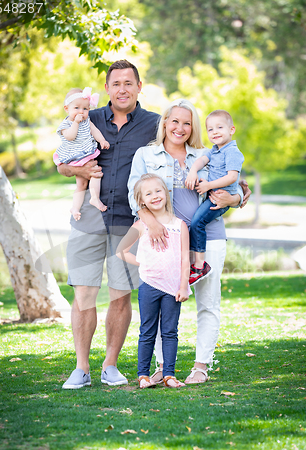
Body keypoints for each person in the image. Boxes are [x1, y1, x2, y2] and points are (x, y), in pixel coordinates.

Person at [128, 99, 251, 384]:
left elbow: (234, 187)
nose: (180, 128)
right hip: (165, 240)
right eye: (174, 121)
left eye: (187, 123)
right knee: (160, 303)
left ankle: (201, 366)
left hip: (210, 237)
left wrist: (235, 198)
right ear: (165, 123)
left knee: (208, 302)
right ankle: (162, 365)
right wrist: (152, 223)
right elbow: (133, 197)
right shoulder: (146, 155)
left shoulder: (208, 154)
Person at [58, 61, 160, 388]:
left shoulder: (154, 124)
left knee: (120, 296)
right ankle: (82, 368)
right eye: (116, 83)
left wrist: (236, 188)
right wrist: (81, 172)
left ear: (139, 87)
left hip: (128, 223)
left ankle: (110, 365)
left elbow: (181, 156)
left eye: (129, 83)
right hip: (88, 218)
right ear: (106, 88)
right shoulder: (88, 116)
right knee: (84, 294)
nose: (122, 89)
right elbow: (61, 164)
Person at [117, 174, 189, 388]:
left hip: (173, 287)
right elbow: (121, 251)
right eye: (148, 194)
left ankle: (169, 375)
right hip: (149, 284)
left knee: (170, 331)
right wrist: (142, 263)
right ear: (142, 202)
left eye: (158, 191)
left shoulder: (180, 225)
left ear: (166, 193)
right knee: (147, 330)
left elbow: (185, 258)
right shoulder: (141, 225)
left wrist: (184, 285)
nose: (155, 196)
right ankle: (143, 375)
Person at [185, 109, 244, 285]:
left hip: (220, 197)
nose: (215, 132)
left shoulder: (232, 152)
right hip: (213, 193)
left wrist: (208, 186)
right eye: (210, 129)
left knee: (197, 222)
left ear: (231, 129)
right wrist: (193, 171)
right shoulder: (215, 150)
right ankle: (197, 262)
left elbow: (232, 177)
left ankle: (199, 265)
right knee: (197, 222)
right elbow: (201, 160)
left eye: (220, 127)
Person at [54, 87, 110, 219]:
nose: (81, 112)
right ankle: (87, 201)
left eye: (85, 109)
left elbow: (94, 130)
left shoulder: (86, 121)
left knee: (86, 181)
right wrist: (76, 123)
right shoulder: (65, 125)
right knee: (91, 176)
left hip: (86, 154)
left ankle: (79, 206)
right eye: (77, 108)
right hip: (76, 156)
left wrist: (102, 140)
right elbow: (70, 136)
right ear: (67, 109)